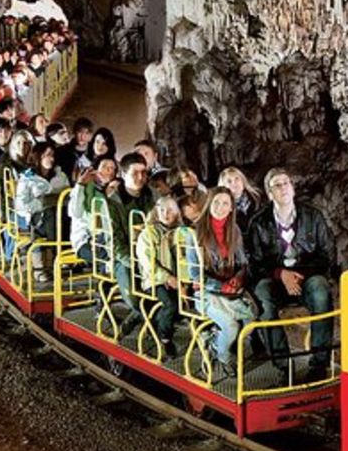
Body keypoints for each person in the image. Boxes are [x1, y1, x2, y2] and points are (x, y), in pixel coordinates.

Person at [246, 167, 335, 382]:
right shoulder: (259, 223)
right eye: (277, 184)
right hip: (275, 281)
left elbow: (327, 254)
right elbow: (255, 264)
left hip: (307, 278)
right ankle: (283, 365)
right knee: (262, 296)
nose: (283, 188)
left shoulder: (313, 216)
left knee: (321, 291)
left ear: (293, 188)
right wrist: (280, 274)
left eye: (286, 183)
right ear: (269, 193)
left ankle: (319, 363)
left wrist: (298, 275)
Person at [190, 187, 256, 379]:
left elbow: (243, 262)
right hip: (207, 292)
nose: (220, 207)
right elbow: (194, 274)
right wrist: (221, 286)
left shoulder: (234, 230)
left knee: (252, 316)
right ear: (209, 204)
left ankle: (217, 340)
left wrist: (239, 277)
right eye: (216, 202)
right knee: (231, 325)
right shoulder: (194, 233)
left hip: (231, 290)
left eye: (225, 203)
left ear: (231, 208)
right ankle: (223, 357)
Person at [105, 153, 156, 335]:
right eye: (135, 173)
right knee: (136, 298)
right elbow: (115, 242)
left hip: (153, 256)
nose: (141, 178)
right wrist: (134, 261)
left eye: (143, 173)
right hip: (126, 258)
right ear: (123, 174)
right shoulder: (113, 204)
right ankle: (140, 317)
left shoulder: (152, 197)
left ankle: (143, 321)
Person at [15, 143, 70, 285]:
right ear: (38, 157)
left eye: (52, 155)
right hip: (38, 218)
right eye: (46, 155)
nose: (50, 159)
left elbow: (69, 196)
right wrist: (43, 203)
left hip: (60, 215)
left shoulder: (60, 175)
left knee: (64, 214)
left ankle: (63, 255)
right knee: (50, 213)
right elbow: (21, 204)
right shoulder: (28, 178)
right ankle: (58, 254)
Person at [134, 196, 182, 356]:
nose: (165, 213)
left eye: (170, 210)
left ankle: (152, 321)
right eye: (162, 210)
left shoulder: (181, 232)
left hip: (178, 278)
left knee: (187, 305)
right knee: (171, 304)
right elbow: (148, 263)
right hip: (154, 279)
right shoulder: (148, 234)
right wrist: (167, 278)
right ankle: (164, 337)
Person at [67, 155, 119, 268]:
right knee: (108, 257)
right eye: (105, 167)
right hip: (85, 239)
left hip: (108, 237)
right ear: (95, 170)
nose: (110, 171)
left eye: (113, 168)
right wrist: (80, 184)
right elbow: (75, 212)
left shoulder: (114, 189)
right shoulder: (84, 189)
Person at [218, 166, 263, 233]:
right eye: (229, 181)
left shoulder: (257, 197)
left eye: (237, 179)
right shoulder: (223, 208)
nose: (234, 183)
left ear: (243, 181)